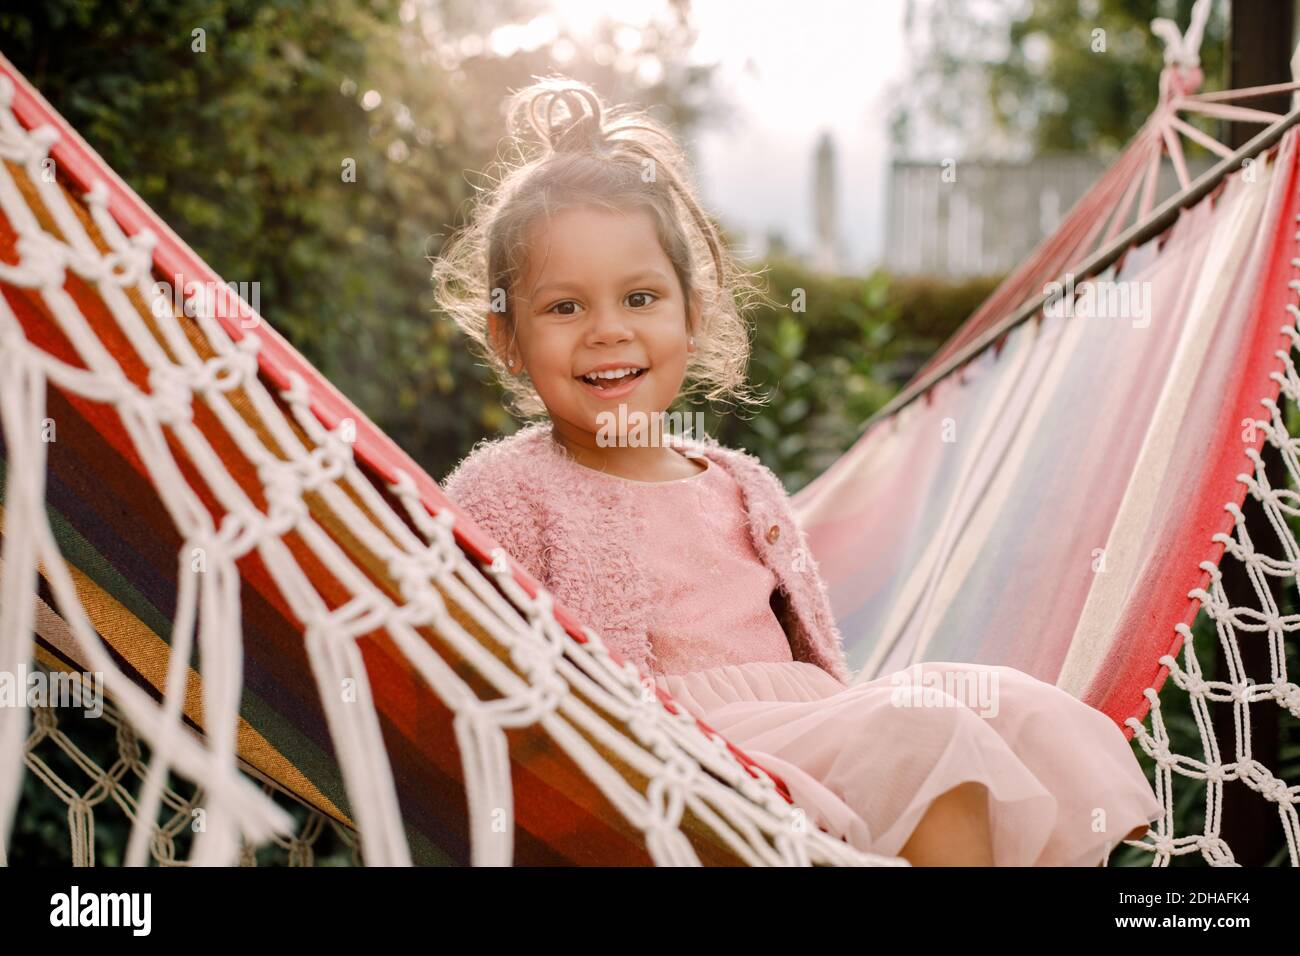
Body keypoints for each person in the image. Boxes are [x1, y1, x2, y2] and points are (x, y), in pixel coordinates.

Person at [436, 76, 1163, 866]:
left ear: (694, 313)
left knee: (1006, 709)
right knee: (922, 732)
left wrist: (851, 720)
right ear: (507, 338)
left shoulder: (740, 484)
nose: (608, 331)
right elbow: (460, 660)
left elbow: (816, 666)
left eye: (640, 297)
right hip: (667, 762)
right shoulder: (504, 490)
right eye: (564, 308)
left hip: (809, 730)